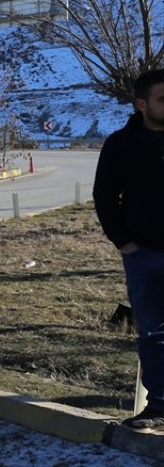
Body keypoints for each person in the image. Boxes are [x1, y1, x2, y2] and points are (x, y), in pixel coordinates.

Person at [94, 68, 164, 431]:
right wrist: (125, 243)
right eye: (162, 99)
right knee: (153, 333)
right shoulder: (120, 144)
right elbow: (104, 197)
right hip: (145, 257)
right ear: (141, 104)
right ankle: (158, 408)